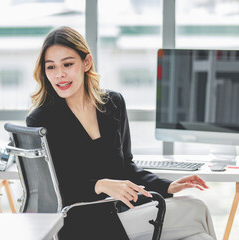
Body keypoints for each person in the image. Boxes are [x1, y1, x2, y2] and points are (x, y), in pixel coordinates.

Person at [27, 26, 216, 239]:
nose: (59, 74)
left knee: (198, 224)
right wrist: (99, 185)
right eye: (50, 67)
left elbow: (127, 166)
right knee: (197, 209)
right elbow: (50, 191)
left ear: (86, 63)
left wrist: (168, 186)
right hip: (81, 220)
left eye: (68, 64)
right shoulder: (40, 120)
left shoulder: (113, 104)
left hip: (122, 209)